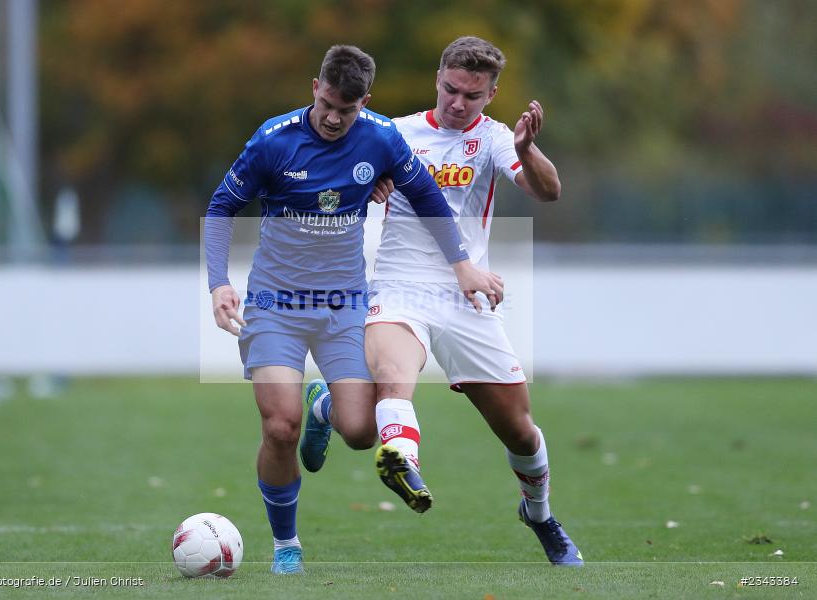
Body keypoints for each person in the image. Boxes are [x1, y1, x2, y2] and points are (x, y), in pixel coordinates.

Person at [205, 44, 502, 575]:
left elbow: (428, 198)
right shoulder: (273, 140)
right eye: (326, 105)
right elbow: (221, 205)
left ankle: (324, 406)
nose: (333, 119)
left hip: (344, 305)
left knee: (363, 432)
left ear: (364, 102)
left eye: (346, 110)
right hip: (276, 305)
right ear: (314, 88)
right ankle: (286, 544)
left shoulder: (381, 137)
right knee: (280, 427)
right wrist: (219, 283)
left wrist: (461, 265)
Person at [302, 36, 583, 566]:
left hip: (466, 295)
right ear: (438, 78)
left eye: (472, 96)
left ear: (491, 94)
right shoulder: (395, 133)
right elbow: (331, 178)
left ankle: (540, 515)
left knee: (521, 433)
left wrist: (526, 150)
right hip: (398, 287)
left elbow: (548, 191)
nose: (458, 103)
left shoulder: (496, 138)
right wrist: (368, 183)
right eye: (451, 89)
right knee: (389, 385)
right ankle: (403, 461)